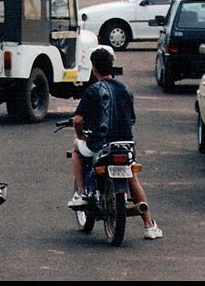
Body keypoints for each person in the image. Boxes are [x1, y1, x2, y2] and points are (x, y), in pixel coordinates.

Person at [67, 46, 163, 239]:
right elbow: (131, 119)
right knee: (132, 178)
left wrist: (81, 135)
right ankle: (149, 225)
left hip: (100, 145)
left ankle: (80, 192)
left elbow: (78, 120)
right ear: (112, 66)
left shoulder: (93, 90)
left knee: (76, 148)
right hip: (125, 145)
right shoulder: (126, 90)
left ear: (94, 68)